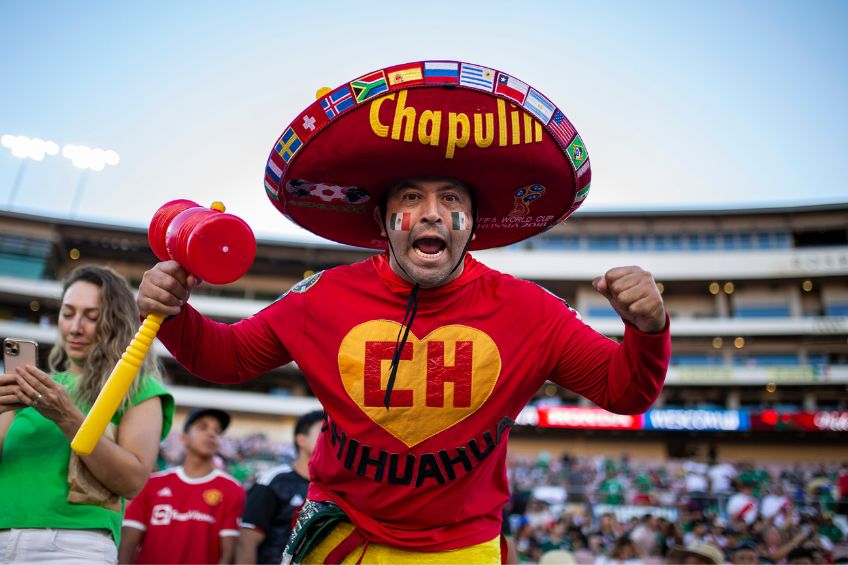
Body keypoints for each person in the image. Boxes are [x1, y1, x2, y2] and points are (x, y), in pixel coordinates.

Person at [136, 60, 671, 563]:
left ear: (474, 223)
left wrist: (647, 328)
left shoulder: (532, 311)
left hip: (463, 549)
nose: (432, 213)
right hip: (340, 539)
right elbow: (224, 359)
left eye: (452, 200)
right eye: (411, 197)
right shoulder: (320, 296)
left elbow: (625, 392)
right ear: (383, 218)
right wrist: (175, 312)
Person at [0, 265, 174, 564]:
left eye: (92, 317)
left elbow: (132, 482)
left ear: (116, 322)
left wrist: (67, 416)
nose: (76, 327)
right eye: (68, 314)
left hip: (75, 544)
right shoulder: (33, 385)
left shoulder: (138, 388)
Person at [119, 408, 245, 564]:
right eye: (203, 427)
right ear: (184, 438)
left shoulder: (232, 490)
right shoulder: (152, 484)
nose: (211, 434)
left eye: (218, 431)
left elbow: (228, 554)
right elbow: (127, 544)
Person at [236, 409, 324, 564]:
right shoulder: (273, 480)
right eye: (323, 430)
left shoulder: (337, 487)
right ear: (301, 440)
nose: (330, 438)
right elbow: (247, 541)